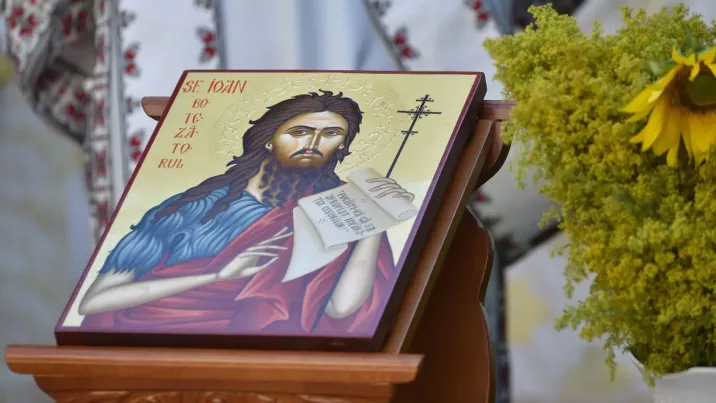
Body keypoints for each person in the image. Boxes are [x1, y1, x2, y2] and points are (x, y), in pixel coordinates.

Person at [78, 90, 412, 334]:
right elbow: (94, 301)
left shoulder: (339, 209)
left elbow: (342, 309)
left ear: (341, 147)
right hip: (154, 352)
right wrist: (217, 277)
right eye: (300, 132)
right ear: (268, 139)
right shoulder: (192, 208)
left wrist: (372, 219)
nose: (312, 144)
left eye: (331, 134)